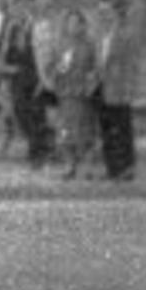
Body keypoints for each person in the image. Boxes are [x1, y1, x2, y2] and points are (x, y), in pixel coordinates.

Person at [0, 0, 53, 168]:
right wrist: (3, 66)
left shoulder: (37, 25)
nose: (19, 10)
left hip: (35, 75)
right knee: (21, 114)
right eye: (16, 7)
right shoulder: (10, 27)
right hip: (17, 76)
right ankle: (40, 146)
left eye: (23, 7)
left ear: (28, 8)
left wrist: (44, 78)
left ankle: (38, 153)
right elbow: (3, 50)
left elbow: (46, 53)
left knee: (36, 114)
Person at [47, 9, 100, 179]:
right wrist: (58, 69)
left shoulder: (89, 44)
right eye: (70, 23)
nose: (73, 27)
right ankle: (69, 165)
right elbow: (53, 67)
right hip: (66, 94)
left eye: (77, 23)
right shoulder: (60, 45)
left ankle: (88, 166)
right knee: (65, 132)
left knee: (86, 132)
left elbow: (95, 68)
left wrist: (92, 83)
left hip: (83, 94)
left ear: (82, 25)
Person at [95, 0, 140, 182]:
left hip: (120, 89)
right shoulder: (98, 37)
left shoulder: (124, 35)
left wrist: (130, 87)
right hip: (101, 89)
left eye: (107, 13)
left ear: (114, 15)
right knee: (107, 131)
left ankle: (126, 168)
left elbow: (132, 64)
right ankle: (111, 168)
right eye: (101, 14)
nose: (104, 17)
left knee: (122, 130)